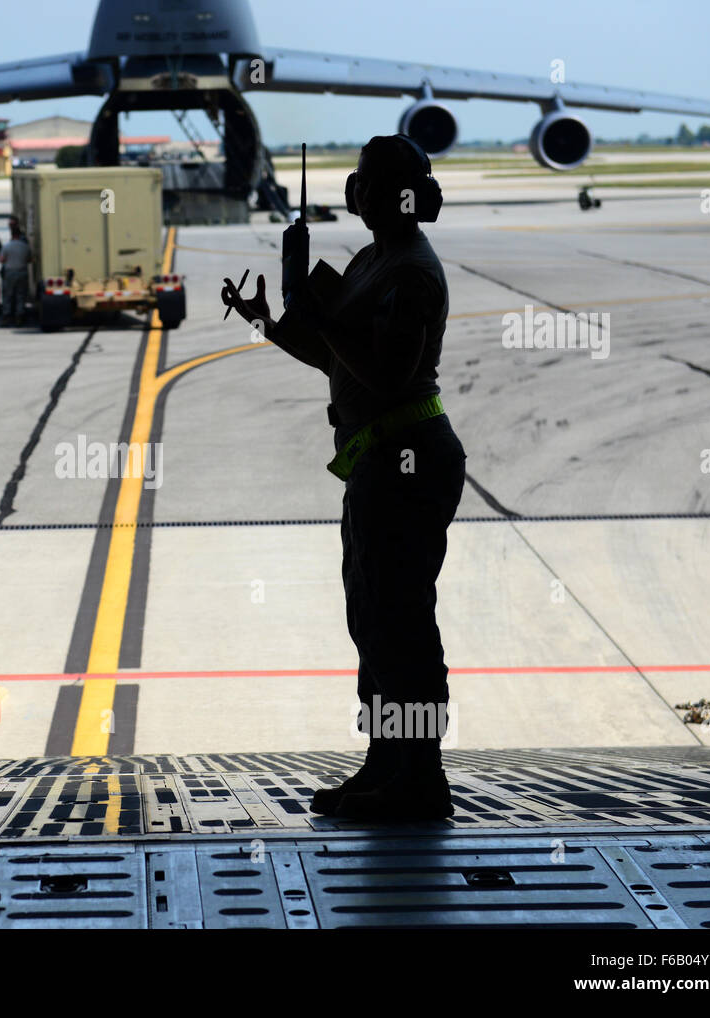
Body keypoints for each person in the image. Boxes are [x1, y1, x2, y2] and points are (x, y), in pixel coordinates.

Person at [220, 134, 466, 822]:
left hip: (407, 460)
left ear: (388, 193)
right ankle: (387, 764)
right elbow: (337, 359)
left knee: (401, 627)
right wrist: (271, 316)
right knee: (375, 623)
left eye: (366, 182)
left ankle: (422, 778)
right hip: (377, 462)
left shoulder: (411, 271)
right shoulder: (374, 260)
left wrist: (312, 298)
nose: (356, 193)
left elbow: (386, 373)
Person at [0, 223, 31, 326]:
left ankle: (7, 315)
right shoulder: (25, 247)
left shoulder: (7, 246)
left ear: (12, 235)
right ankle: (19, 316)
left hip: (10, 273)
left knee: (8, 295)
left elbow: (1, 259)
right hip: (22, 272)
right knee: (20, 295)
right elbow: (29, 259)